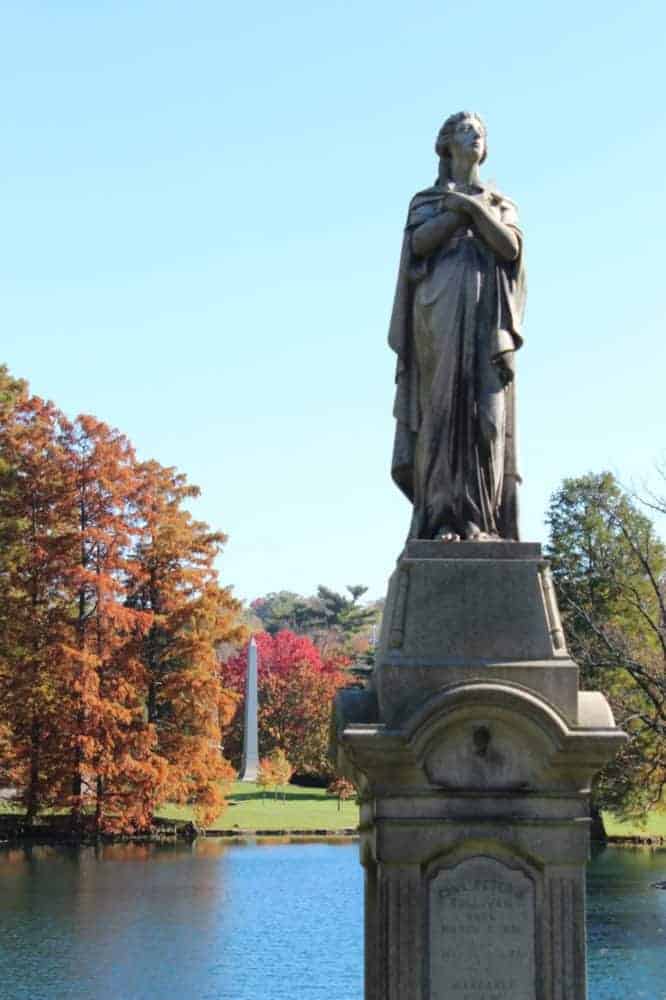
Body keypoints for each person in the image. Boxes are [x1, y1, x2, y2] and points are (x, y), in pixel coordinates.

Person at [389, 111, 526, 541]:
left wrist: (470, 207)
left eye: (482, 133)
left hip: (489, 324)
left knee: (488, 420)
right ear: (447, 143)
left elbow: (510, 247)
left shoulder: (501, 203)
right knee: (442, 413)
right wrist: (457, 215)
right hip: (439, 315)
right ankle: (443, 518)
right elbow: (417, 244)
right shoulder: (425, 202)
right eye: (468, 130)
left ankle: (483, 520)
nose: (477, 137)